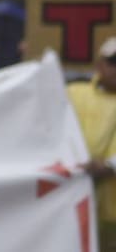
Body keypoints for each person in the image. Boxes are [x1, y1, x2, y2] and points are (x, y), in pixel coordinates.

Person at [67, 37, 116, 248]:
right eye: (113, 62)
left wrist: (109, 166)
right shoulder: (75, 92)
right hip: (74, 203)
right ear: (99, 65)